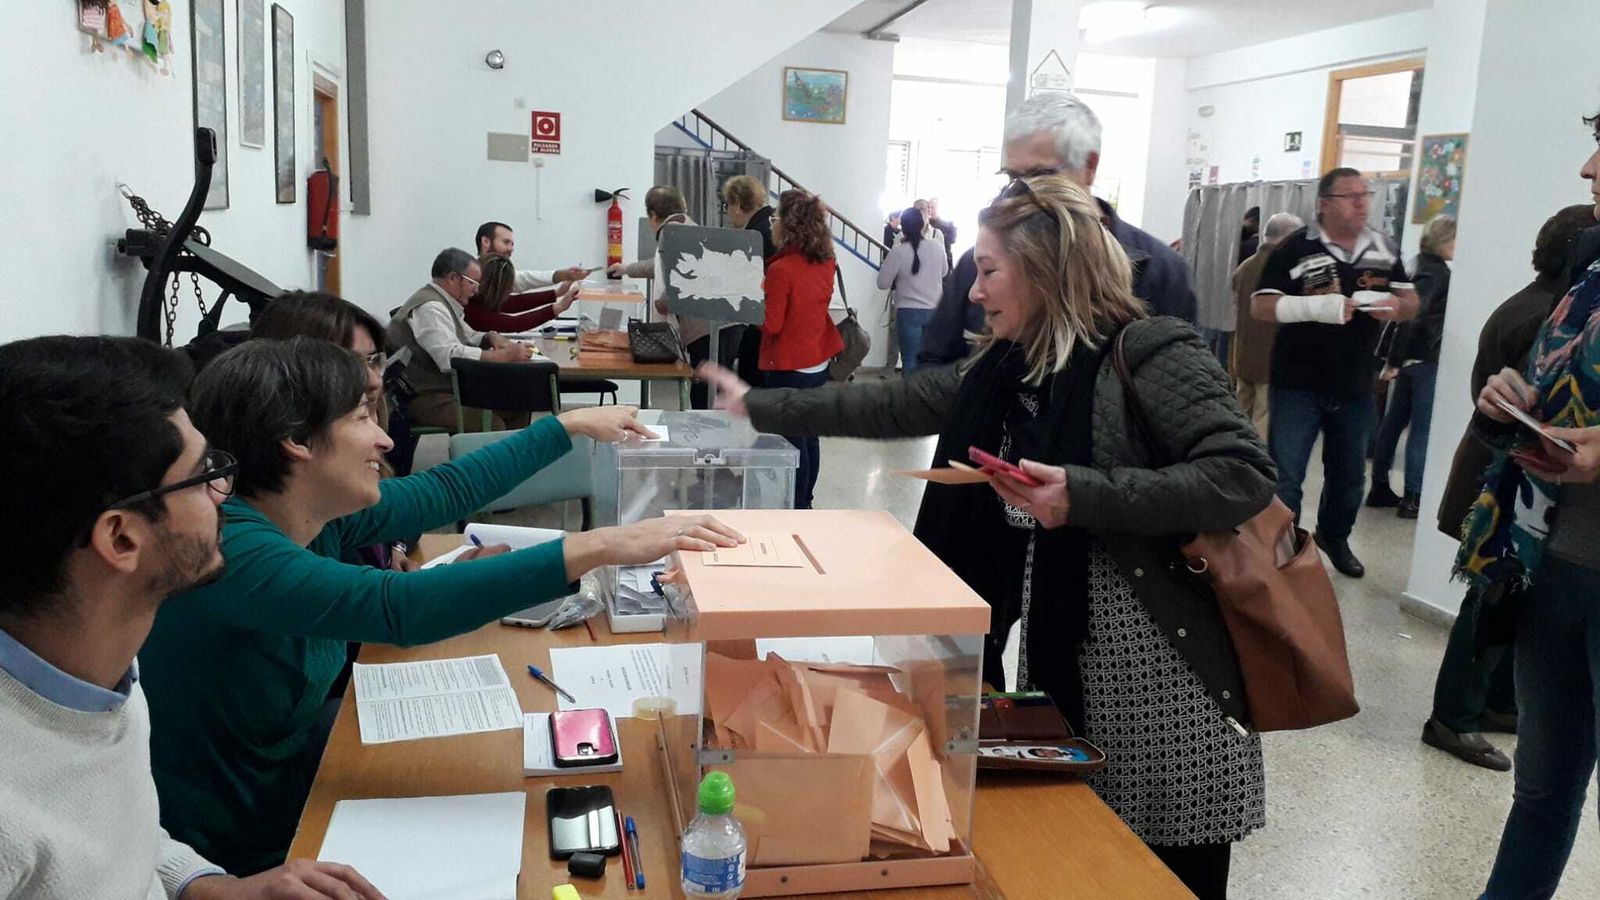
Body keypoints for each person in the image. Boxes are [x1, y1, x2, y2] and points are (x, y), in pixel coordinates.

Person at [701, 175, 1274, 899]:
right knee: (1079, 863)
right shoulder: (1010, 370)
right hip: (1068, 669)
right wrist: (758, 404)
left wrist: (1082, 495)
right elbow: (898, 402)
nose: (974, 291)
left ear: (1047, 272)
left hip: (1162, 689)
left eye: (990, 270)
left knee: (1163, 877)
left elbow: (1244, 476)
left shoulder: (1150, 353)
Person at [140, 337, 742, 875]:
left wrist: (569, 426)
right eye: (360, 417)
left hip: (300, 772)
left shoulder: (311, 508)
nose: (382, 437)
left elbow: (445, 490)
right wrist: (598, 546)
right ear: (296, 443)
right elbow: (399, 608)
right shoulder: (232, 549)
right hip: (240, 847)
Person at [0, 336, 384, 900]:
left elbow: (124, 830)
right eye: (203, 474)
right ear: (121, 537)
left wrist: (216, 887)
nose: (223, 495)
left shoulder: (100, 663)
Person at [1459, 110, 1600, 898]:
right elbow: (1550, 396)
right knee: (1543, 789)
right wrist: (1504, 401)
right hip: (1553, 563)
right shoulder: (1588, 275)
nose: (1587, 170)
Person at [1422, 204, 1594, 772]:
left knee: (1505, 601)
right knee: (1489, 602)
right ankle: (1455, 716)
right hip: (1506, 484)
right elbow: (1510, 407)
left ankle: (1495, 703)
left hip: (1512, 485)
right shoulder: (1547, 314)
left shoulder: (1544, 304)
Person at [918, 92, 1197, 367]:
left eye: (1041, 176)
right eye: (1013, 177)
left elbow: (1184, 391)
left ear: (1089, 166)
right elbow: (933, 363)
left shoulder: (1162, 273)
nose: (1022, 193)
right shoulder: (978, 267)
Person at [1249, 167, 1421, 578]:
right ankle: (1281, 549)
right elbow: (1260, 306)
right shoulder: (1295, 247)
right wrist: (1315, 308)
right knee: (1287, 475)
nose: (1363, 202)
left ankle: (1334, 536)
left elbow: (1412, 300)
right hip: (1297, 384)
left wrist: (1395, 308)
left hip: (1356, 383)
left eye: (1367, 194)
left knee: (1348, 479)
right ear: (1324, 204)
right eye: (1351, 196)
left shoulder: (1383, 247)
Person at [608, 186, 743, 409]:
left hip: (707, 330)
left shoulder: (671, 233)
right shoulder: (687, 228)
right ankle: (713, 438)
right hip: (726, 325)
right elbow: (660, 265)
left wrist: (666, 302)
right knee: (715, 393)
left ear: (652, 215)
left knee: (704, 396)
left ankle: (707, 442)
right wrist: (626, 269)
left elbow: (687, 275)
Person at [386, 248, 538, 433]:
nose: (476, 290)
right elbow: (449, 357)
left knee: (517, 406)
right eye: (473, 283)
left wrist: (489, 337)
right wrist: (504, 356)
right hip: (425, 397)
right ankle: (491, 462)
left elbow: (467, 335)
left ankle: (515, 461)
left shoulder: (444, 303)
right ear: (452, 278)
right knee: (490, 423)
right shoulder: (431, 308)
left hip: (446, 390)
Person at [760, 190, 843, 509]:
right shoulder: (826, 261)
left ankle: (795, 506)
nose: (771, 225)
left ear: (788, 226)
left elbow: (772, 325)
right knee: (809, 435)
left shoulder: (781, 270)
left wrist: (754, 302)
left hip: (788, 365)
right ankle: (806, 500)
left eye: (774, 218)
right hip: (816, 361)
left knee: (791, 441)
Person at [1369, 215, 1457, 518]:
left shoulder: (1417, 265)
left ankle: (1379, 485)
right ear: (1445, 241)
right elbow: (1413, 316)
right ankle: (1413, 498)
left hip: (1408, 358)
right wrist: (1393, 360)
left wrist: (1394, 359)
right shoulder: (1436, 274)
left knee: (1394, 422)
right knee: (1421, 428)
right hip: (1422, 359)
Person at [1230, 213, 1303, 437]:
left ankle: (1232, 458)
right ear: (1286, 238)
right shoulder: (1286, 270)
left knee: (1240, 412)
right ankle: (1255, 468)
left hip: (1244, 354)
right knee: (1263, 420)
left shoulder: (1244, 267)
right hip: (1272, 359)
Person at [877, 206, 948, 374]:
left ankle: (910, 399)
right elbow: (944, 272)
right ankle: (928, 398)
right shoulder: (937, 247)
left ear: (903, 226)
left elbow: (882, 283)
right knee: (931, 362)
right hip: (935, 311)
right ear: (923, 224)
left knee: (909, 360)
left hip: (908, 313)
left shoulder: (898, 252)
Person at [722, 175, 776, 388]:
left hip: (763, 318)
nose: (727, 212)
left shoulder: (756, 234)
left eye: (727, 205)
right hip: (775, 316)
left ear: (737, 205)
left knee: (751, 379)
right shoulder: (770, 221)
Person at [464, 254, 576, 333]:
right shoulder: (472, 310)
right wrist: (558, 307)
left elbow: (514, 303)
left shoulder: (477, 297)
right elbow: (515, 323)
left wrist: (557, 293)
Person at [473, 220, 588, 293]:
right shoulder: (472, 276)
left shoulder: (501, 276)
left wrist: (565, 276)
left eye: (512, 244)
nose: (511, 249)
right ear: (486, 241)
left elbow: (526, 279)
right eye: (506, 242)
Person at [927, 197, 957, 270]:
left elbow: (952, 240)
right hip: (927, 262)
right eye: (929, 207)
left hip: (944, 261)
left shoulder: (949, 225)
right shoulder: (923, 225)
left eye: (933, 207)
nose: (930, 210)